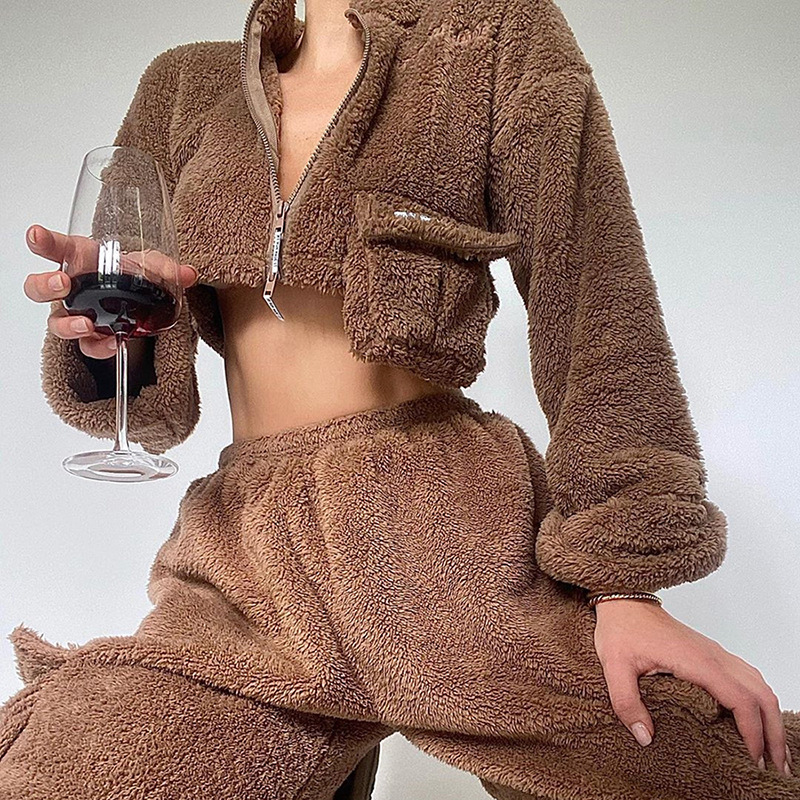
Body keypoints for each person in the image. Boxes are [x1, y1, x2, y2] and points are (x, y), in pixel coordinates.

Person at [5, 0, 799, 798]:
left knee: (716, 768)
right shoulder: (183, 87)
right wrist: (105, 347)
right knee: (65, 776)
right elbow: (153, 407)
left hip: (447, 538)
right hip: (244, 561)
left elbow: (597, 303)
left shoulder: (497, 37)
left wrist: (626, 584)